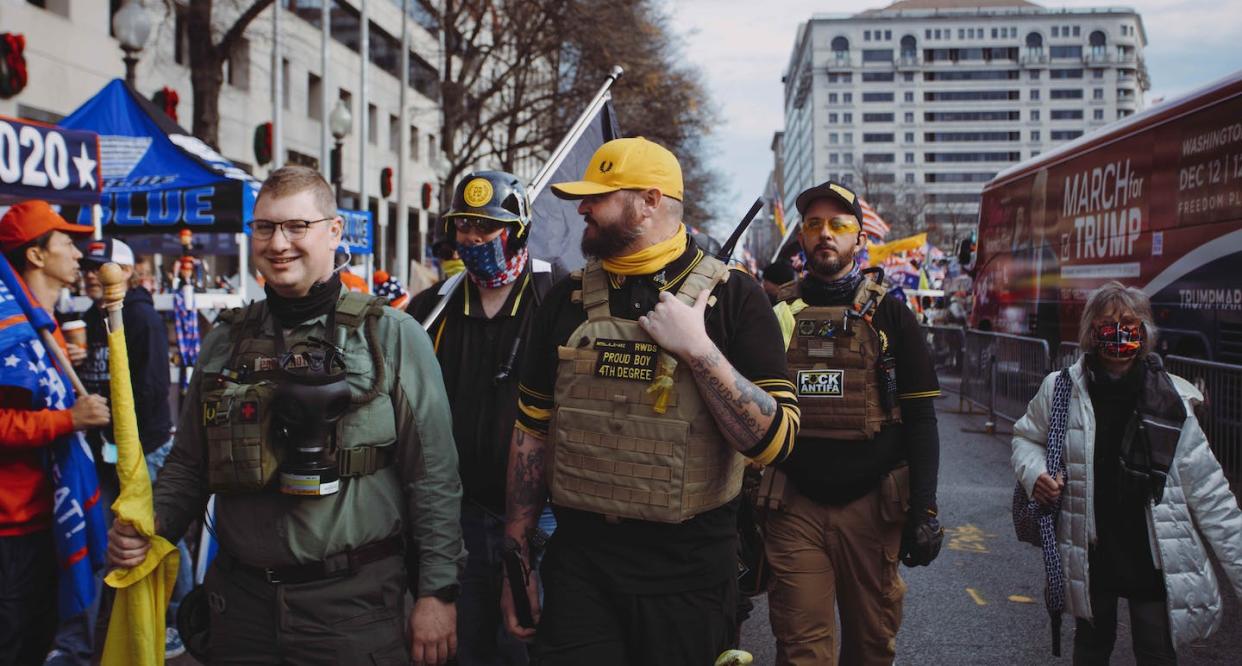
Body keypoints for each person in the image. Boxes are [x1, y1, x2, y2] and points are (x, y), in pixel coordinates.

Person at [106, 166, 465, 665]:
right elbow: (188, 464)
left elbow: (434, 477)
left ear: (334, 232)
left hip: (352, 610)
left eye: (298, 226)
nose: (279, 243)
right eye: (266, 227)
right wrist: (149, 527)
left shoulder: (391, 337)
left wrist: (437, 592)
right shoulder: (224, 341)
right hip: (240, 609)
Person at [500, 137, 799, 666]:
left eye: (599, 197)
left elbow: (775, 440)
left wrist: (698, 349)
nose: (582, 208)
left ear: (650, 201)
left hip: (689, 573)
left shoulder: (733, 297)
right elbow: (531, 433)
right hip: (580, 569)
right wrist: (517, 552)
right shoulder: (565, 300)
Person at [1012, 282, 1242, 665]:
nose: (1119, 332)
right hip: (1092, 551)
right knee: (1090, 651)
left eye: (1129, 323)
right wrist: (1035, 473)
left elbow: (1212, 496)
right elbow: (1025, 437)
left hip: (1152, 555)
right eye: (1108, 323)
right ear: (1091, 331)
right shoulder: (1061, 390)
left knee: (1155, 653)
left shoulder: (1172, 401)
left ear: (1145, 331)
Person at [763, 180, 943, 666]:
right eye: (814, 224)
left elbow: (922, 419)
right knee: (801, 651)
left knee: (871, 646)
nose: (826, 234)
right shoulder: (775, 313)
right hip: (792, 505)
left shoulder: (892, 316)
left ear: (859, 239)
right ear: (801, 237)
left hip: (872, 509)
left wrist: (924, 510)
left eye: (839, 225)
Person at [407, 170, 555, 666]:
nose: (471, 238)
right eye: (463, 225)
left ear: (517, 230)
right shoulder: (433, 308)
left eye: (486, 226)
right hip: (458, 521)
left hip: (542, 522)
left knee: (531, 646)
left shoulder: (555, 301)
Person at [51, 238, 187, 662]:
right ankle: (98, 629)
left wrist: (122, 435)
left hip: (142, 444)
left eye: (102, 267)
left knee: (157, 531)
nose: (92, 275)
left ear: (126, 272)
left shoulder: (142, 317)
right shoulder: (89, 317)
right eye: (89, 267)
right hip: (103, 446)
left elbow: (150, 389)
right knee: (113, 536)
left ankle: (176, 620)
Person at [0, 201, 110, 664]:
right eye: (66, 242)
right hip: (12, 528)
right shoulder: (10, 329)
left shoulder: (46, 329)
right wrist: (70, 419)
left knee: (45, 636)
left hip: (50, 514)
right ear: (37, 255)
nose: (78, 253)